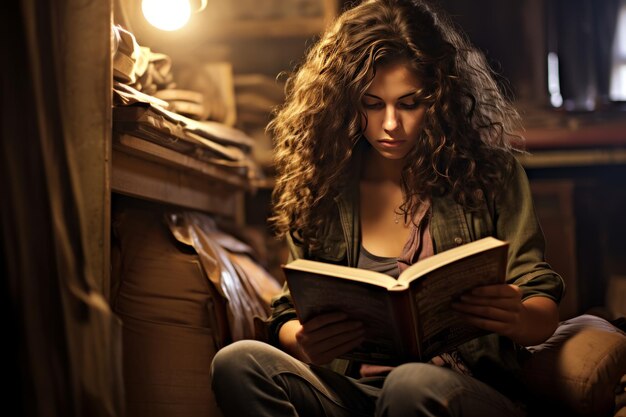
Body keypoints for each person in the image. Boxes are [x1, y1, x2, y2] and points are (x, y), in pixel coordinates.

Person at [211, 0, 565, 415]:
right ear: (344, 103)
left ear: (440, 97)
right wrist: (300, 339)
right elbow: (289, 312)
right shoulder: (324, 187)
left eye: (409, 103)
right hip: (355, 393)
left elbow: (542, 305)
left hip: (460, 392)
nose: (391, 124)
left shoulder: (489, 174)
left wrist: (517, 317)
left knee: (411, 384)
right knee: (237, 362)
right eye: (373, 104)